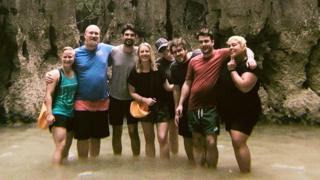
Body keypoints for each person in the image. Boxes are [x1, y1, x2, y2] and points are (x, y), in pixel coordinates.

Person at [175, 28, 256, 168]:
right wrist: (180, 104)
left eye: (206, 41)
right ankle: (201, 174)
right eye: (201, 42)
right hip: (193, 106)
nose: (204, 44)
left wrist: (251, 58)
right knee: (197, 140)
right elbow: (187, 82)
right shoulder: (194, 61)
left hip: (211, 107)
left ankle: (211, 173)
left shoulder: (221, 54)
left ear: (212, 42)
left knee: (211, 141)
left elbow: (245, 48)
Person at [46, 25, 113, 159]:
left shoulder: (106, 49)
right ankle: (82, 165)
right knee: (82, 136)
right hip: (82, 102)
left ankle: (93, 164)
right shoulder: (76, 53)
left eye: (96, 34)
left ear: (99, 36)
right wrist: (51, 73)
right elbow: (66, 63)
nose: (94, 36)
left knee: (96, 136)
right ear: (85, 36)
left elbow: (125, 50)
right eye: (91, 33)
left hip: (102, 102)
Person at [216, 36, 261, 173]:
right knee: (236, 142)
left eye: (234, 45)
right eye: (229, 45)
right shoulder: (228, 60)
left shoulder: (250, 65)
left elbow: (244, 86)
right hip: (230, 110)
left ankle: (246, 174)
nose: (231, 48)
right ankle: (243, 172)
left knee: (238, 140)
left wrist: (232, 70)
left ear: (243, 46)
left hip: (246, 110)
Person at [128, 42, 173, 159]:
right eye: (142, 52)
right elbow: (132, 92)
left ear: (151, 53)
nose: (144, 54)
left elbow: (167, 87)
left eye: (147, 51)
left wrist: (182, 83)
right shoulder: (135, 71)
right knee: (149, 139)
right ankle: (151, 170)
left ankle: (165, 169)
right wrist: (144, 100)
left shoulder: (158, 68)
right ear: (138, 54)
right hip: (144, 108)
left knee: (162, 137)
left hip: (162, 107)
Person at [108, 23, 140, 156]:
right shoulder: (114, 51)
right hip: (115, 97)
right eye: (126, 34)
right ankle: (117, 162)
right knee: (117, 131)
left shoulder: (139, 52)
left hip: (133, 98)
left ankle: (136, 161)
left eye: (132, 35)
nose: (129, 37)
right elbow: (101, 65)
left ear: (136, 37)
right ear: (122, 36)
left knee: (133, 131)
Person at [169, 37, 201, 161]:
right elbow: (176, 88)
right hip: (184, 104)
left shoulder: (197, 56)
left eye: (180, 50)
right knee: (186, 136)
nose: (177, 54)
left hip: (200, 103)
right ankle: (192, 164)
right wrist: (177, 107)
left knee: (200, 136)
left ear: (185, 49)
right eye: (174, 52)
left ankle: (202, 165)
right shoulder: (174, 67)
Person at [45, 47, 77, 165]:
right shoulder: (55, 74)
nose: (67, 59)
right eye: (65, 57)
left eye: (70, 57)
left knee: (67, 147)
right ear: (61, 57)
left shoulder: (76, 73)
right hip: (58, 113)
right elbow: (48, 94)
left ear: (74, 58)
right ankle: (56, 175)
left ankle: (64, 173)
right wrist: (49, 114)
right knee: (60, 145)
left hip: (71, 114)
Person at [154, 38, 178, 154]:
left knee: (174, 132)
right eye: (162, 49)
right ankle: (166, 161)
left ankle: (175, 157)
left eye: (166, 47)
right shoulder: (158, 64)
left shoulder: (179, 59)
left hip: (176, 100)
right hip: (163, 101)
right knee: (163, 135)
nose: (166, 50)